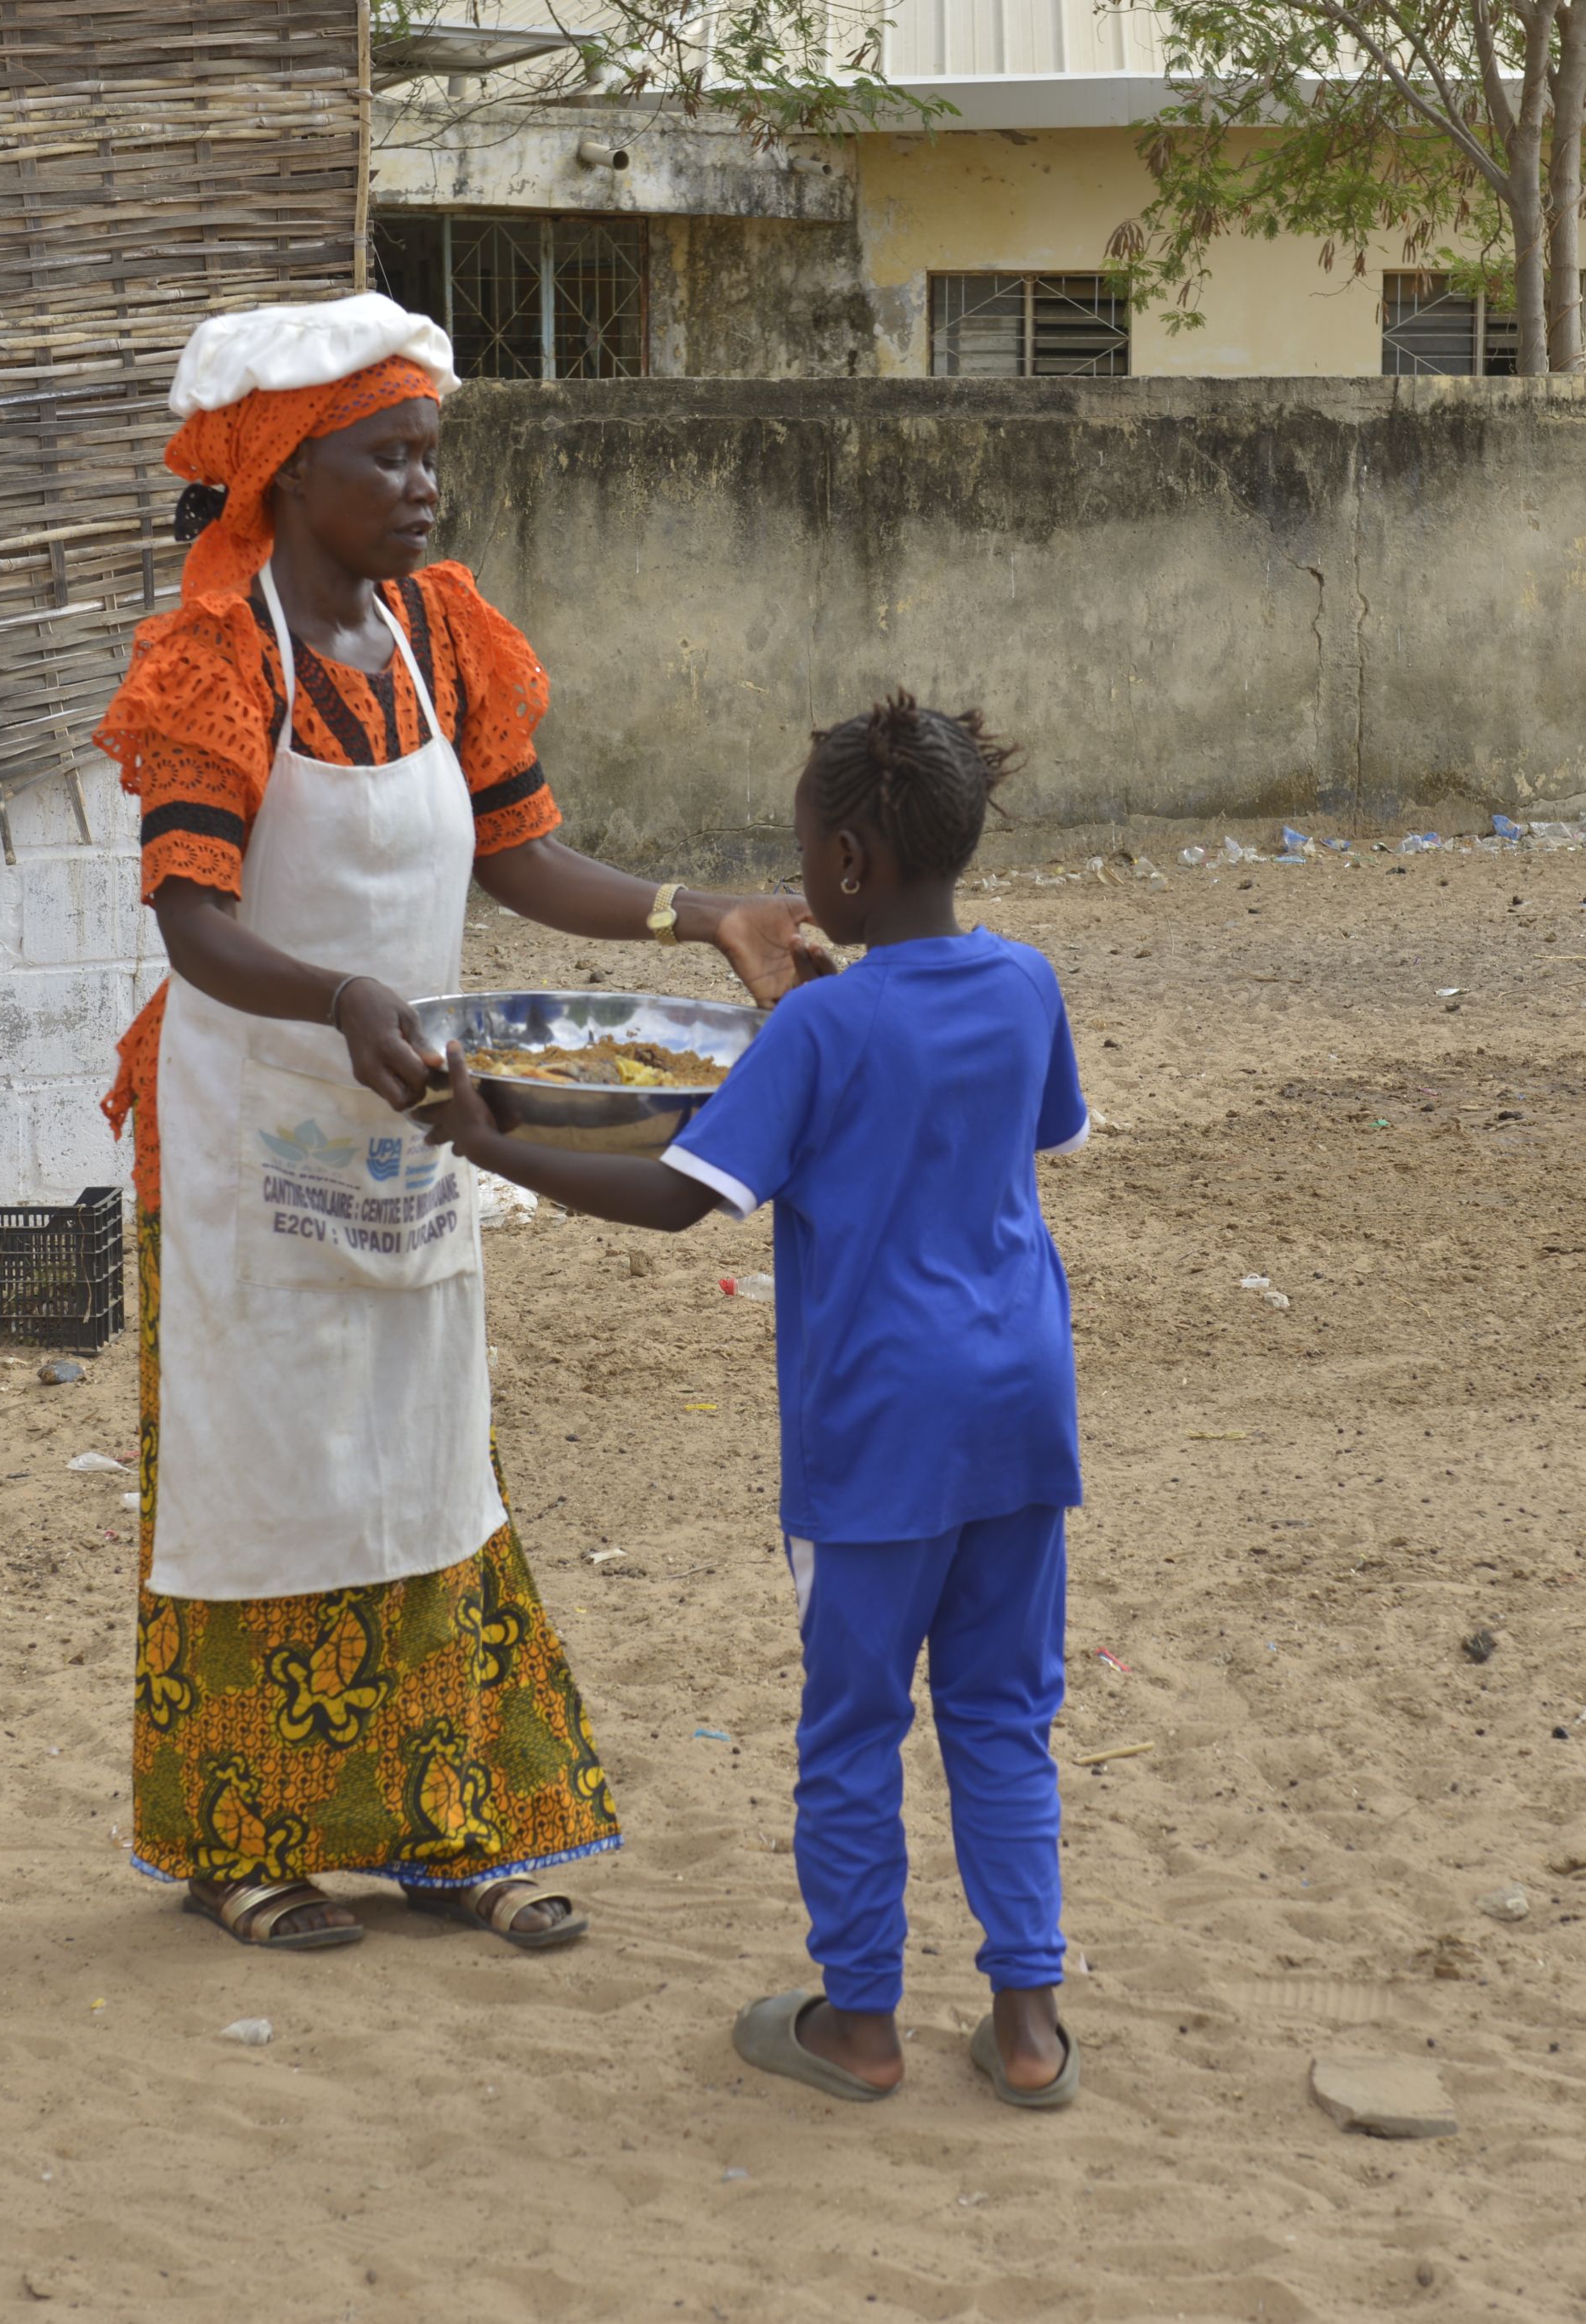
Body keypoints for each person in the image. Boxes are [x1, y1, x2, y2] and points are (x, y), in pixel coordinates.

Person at [93, 294, 819, 1953]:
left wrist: (698, 912)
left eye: (432, 453)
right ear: (286, 467)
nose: (424, 485)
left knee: (418, 1470)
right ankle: (240, 1846)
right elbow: (193, 922)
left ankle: (447, 1831)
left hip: (406, 1127)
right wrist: (339, 997)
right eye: (388, 454)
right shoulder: (218, 656)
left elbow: (515, 854)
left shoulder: (439, 633)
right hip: (246, 1146)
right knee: (262, 1482)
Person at [420, 692, 1088, 2105]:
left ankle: (861, 2022)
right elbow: (1019, 1125)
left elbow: (675, 1198)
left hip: (876, 1431)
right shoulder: (1025, 982)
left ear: (844, 861)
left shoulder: (819, 1030)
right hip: (1023, 1409)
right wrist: (825, 1016)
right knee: (1001, 1715)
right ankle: (1029, 2030)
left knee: (855, 1723)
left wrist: (496, 1142)